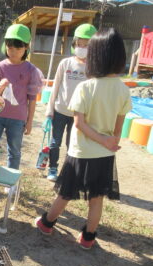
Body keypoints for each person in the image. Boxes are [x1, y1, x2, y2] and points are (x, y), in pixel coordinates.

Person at [35, 28, 132, 250]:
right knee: (96, 198)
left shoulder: (85, 87)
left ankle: (47, 223)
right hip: (105, 153)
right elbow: (118, 127)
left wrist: (99, 139)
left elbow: (79, 124)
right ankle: (88, 238)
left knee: (65, 192)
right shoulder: (123, 90)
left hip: (80, 152)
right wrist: (109, 141)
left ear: (94, 57)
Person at [0, 24, 43, 196]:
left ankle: (10, 183)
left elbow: (32, 98)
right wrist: (1, 86)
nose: (12, 48)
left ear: (26, 47)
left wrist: (29, 121)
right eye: (9, 43)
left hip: (18, 118)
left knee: (14, 151)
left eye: (18, 45)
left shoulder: (31, 71)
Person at [45, 24, 97, 181]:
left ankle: (67, 171)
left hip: (79, 114)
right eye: (79, 44)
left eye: (86, 45)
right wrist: (50, 109)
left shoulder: (94, 67)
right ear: (74, 43)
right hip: (60, 110)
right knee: (55, 142)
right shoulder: (65, 63)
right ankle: (52, 168)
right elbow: (56, 86)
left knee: (72, 144)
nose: (82, 48)